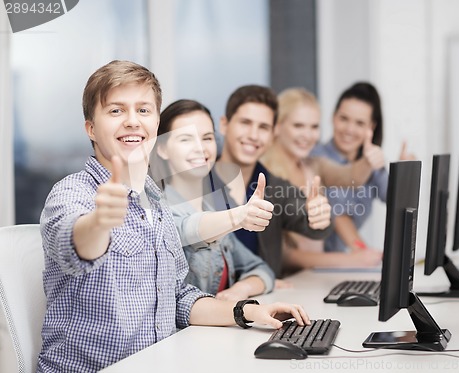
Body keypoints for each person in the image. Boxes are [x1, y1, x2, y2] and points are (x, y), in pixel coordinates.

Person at [38, 61, 309, 372]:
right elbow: (76, 245)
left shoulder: (155, 202)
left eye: (143, 110)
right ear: (91, 128)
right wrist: (100, 221)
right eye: (116, 111)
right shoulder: (72, 193)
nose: (132, 121)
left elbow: (179, 296)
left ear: (155, 124)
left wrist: (246, 311)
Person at [212, 84, 377, 279]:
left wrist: (318, 217)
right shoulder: (198, 182)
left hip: (266, 293)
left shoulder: (278, 184)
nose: (253, 135)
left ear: (273, 131)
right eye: (245, 123)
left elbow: (308, 220)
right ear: (224, 125)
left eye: (263, 127)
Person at [149, 99, 275, 301]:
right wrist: (239, 216)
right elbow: (184, 229)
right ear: (162, 149)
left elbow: (260, 269)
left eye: (207, 138)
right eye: (186, 139)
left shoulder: (214, 210)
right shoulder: (156, 210)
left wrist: (240, 290)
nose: (200, 148)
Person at [261, 87, 383, 271]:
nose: (308, 135)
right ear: (277, 126)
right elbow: (283, 255)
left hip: (310, 278)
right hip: (284, 283)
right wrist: (351, 259)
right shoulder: (266, 173)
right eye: (298, 126)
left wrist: (368, 160)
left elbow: (351, 177)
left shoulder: (314, 164)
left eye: (314, 127)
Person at [311, 82, 415, 253]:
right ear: (333, 117)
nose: (349, 129)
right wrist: (365, 253)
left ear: (371, 127)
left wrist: (405, 172)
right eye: (344, 119)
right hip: (313, 264)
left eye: (360, 123)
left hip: (341, 263)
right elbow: (338, 215)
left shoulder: (370, 163)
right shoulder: (317, 157)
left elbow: (396, 201)